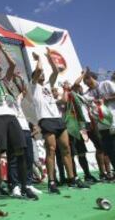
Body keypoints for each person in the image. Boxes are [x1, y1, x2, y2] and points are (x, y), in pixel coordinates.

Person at [0, 40, 37, 205]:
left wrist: (3, 49)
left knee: (20, 152)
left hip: (12, 118)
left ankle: (25, 186)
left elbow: (12, 64)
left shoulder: (6, 82)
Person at [31, 49, 82, 194]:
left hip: (57, 119)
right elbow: (39, 68)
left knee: (66, 149)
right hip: (45, 120)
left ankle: (72, 179)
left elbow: (54, 70)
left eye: (42, 74)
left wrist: (49, 57)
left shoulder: (47, 86)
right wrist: (39, 58)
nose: (42, 74)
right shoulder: (33, 86)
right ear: (34, 77)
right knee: (51, 150)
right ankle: (52, 182)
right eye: (39, 74)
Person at [8, 74, 43, 197]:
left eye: (12, 88)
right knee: (14, 159)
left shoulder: (16, 99)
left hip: (26, 130)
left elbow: (24, 91)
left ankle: (28, 184)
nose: (12, 89)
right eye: (10, 88)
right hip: (14, 129)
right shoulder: (3, 101)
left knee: (28, 158)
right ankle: (15, 186)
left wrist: (20, 78)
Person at [83, 69, 115, 173]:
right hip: (101, 126)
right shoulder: (87, 94)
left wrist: (106, 99)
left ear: (90, 77)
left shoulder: (106, 84)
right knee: (109, 151)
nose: (85, 83)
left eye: (85, 80)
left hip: (113, 121)